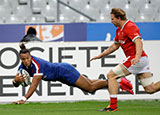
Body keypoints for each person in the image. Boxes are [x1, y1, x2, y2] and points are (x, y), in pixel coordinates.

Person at [12, 43, 133, 104]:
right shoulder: (22, 67)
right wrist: (15, 81)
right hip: (60, 77)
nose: (26, 61)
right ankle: (117, 83)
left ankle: (117, 81)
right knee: (89, 83)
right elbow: (17, 82)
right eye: (23, 59)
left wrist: (24, 98)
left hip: (64, 71)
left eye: (27, 58)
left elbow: (33, 85)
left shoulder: (37, 65)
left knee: (90, 88)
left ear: (30, 56)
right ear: (20, 59)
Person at [90, 8, 160, 112]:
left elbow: (139, 42)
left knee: (111, 75)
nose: (111, 21)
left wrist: (136, 57)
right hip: (141, 60)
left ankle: (113, 106)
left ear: (119, 18)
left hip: (136, 59)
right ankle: (115, 99)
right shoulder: (119, 30)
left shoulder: (130, 26)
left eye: (112, 19)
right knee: (151, 89)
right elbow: (115, 46)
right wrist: (101, 55)